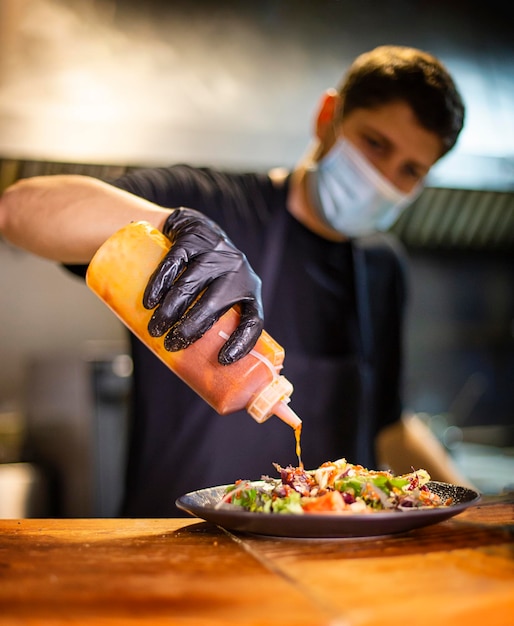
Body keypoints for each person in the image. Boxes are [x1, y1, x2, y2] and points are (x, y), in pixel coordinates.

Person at [0, 46, 466, 516]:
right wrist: (170, 224)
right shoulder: (212, 203)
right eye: (375, 143)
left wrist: (480, 513)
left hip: (325, 565)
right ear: (329, 117)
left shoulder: (382, 267)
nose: (382, 178)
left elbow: (388, 425)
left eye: (409, 171)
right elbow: (18, 210)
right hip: (175, 551)